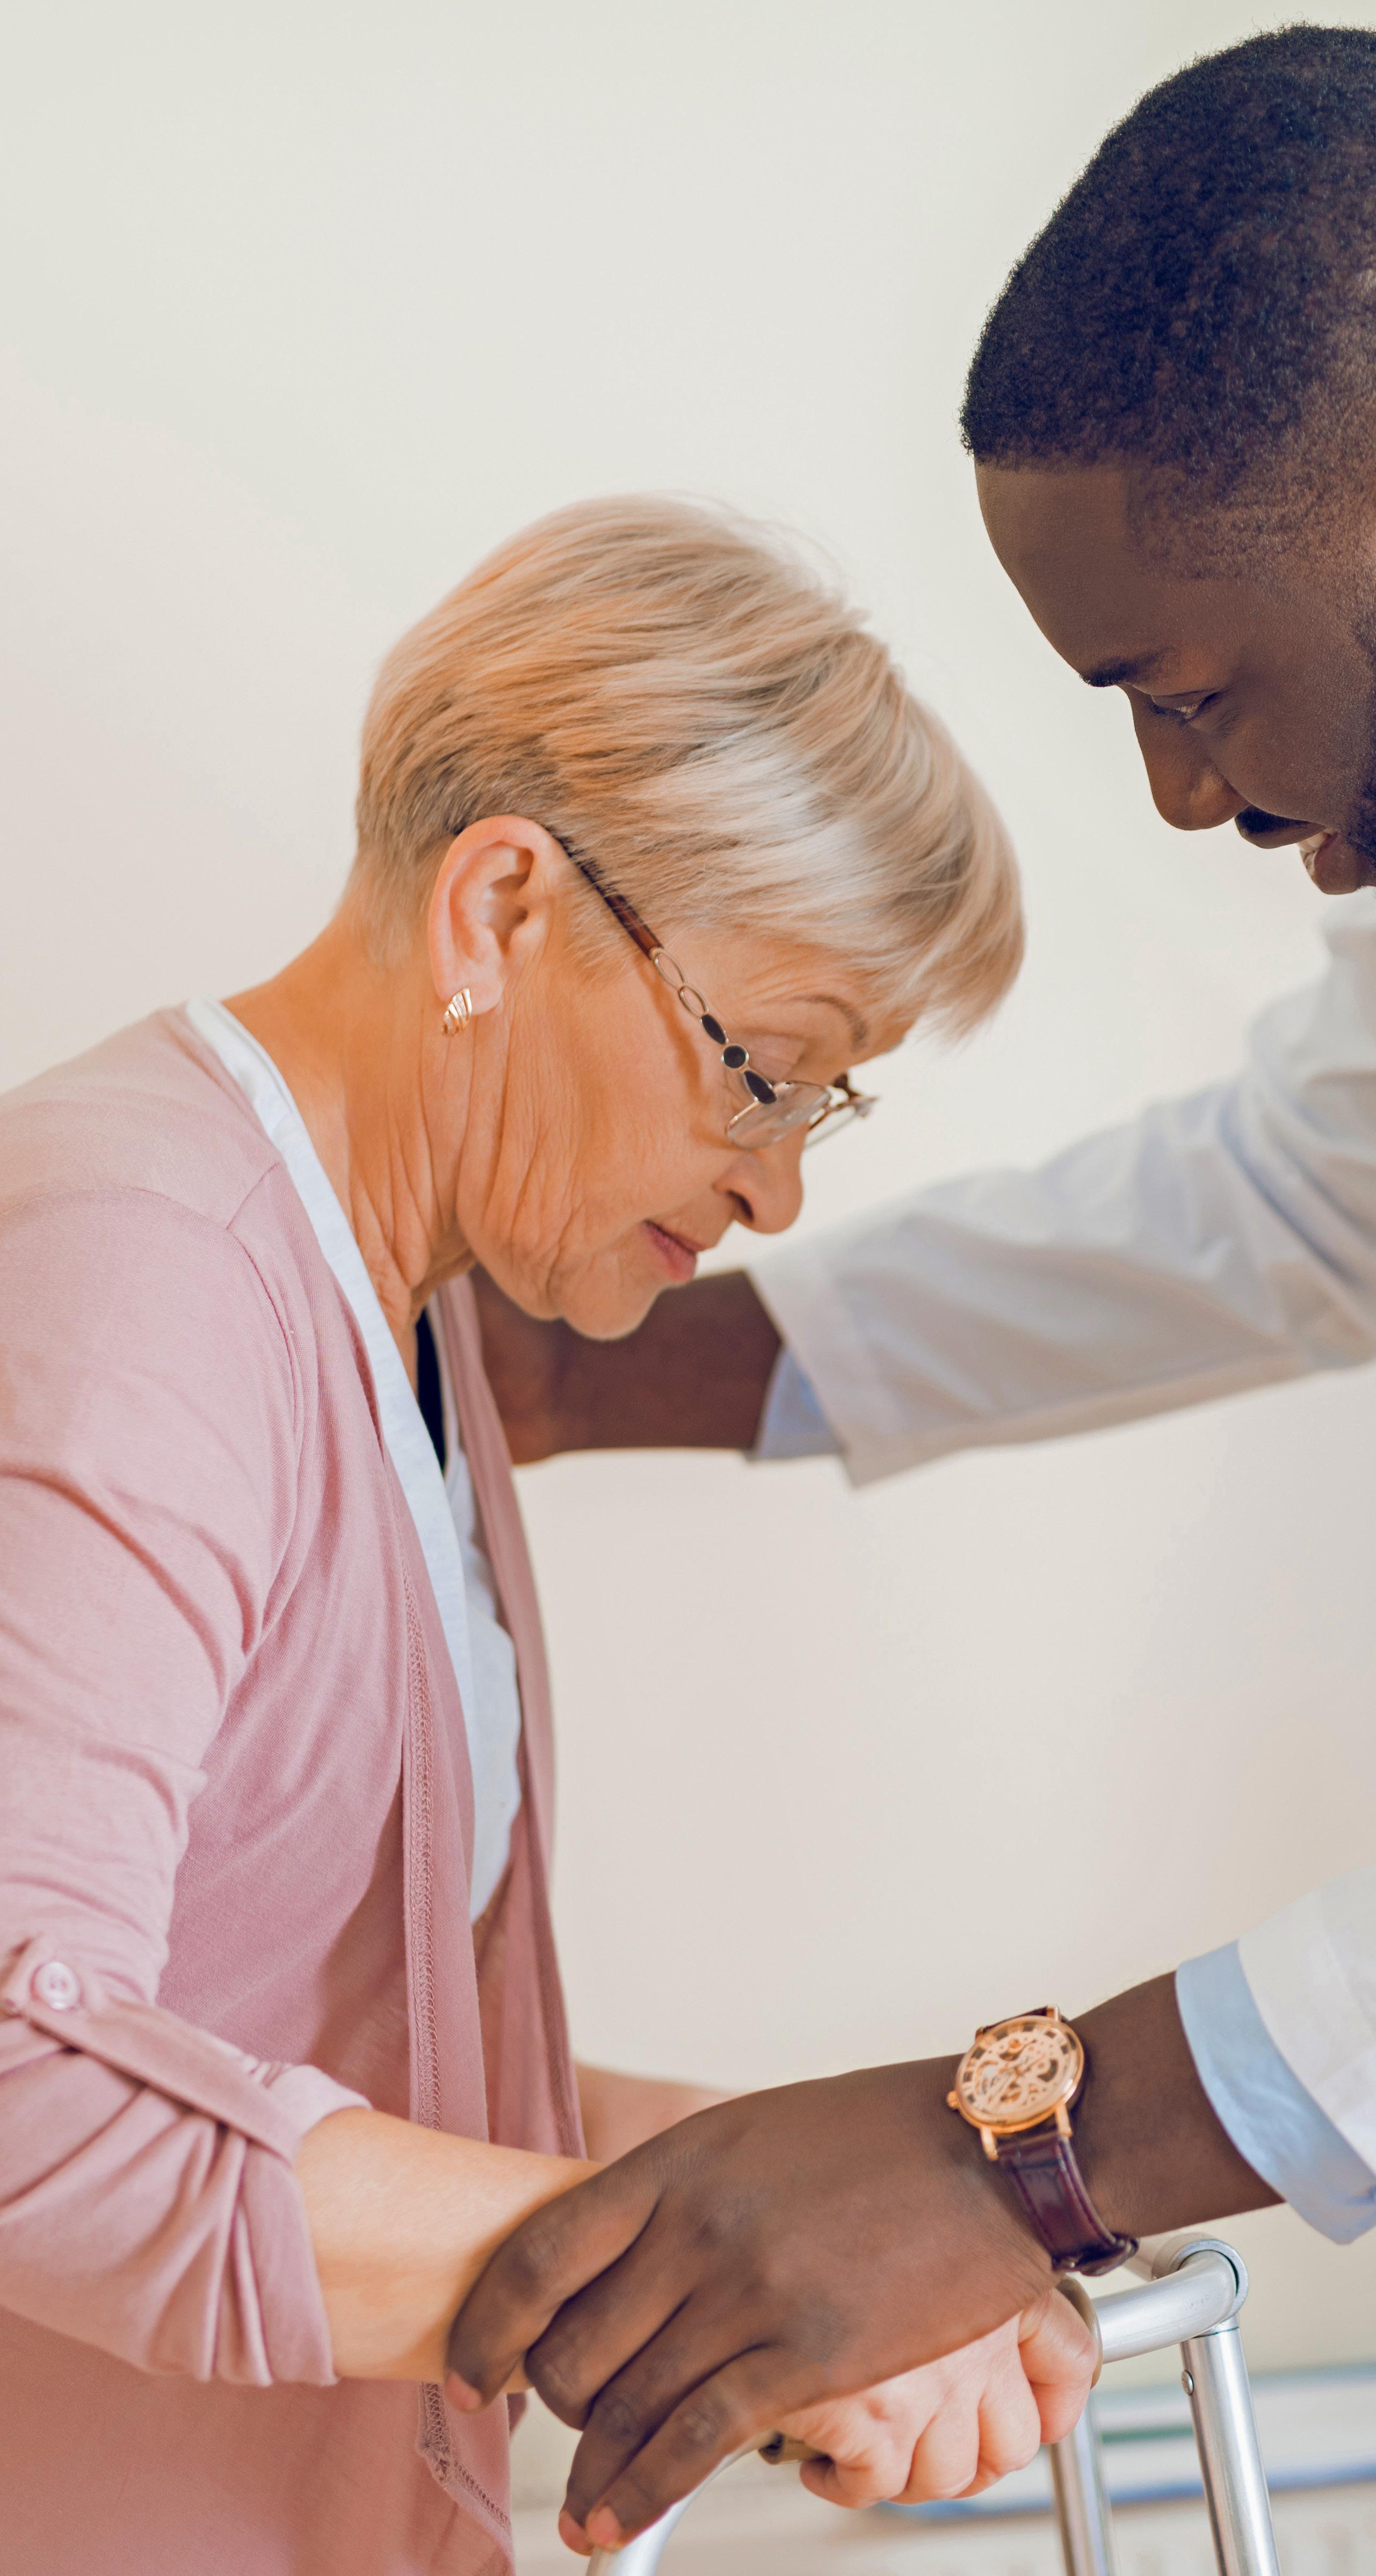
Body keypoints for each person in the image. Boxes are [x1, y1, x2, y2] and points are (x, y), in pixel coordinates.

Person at [441, 21, 1376, 2560]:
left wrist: (1013, 2148)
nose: (1181, 798)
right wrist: (560, 1354)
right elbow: (1305, 1199)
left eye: (1189, 694)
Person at [0, 494, 1096, 2573]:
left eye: (822, 1109)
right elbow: (21, 2076)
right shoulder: (143, 1273)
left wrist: (798, 2192)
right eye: (763, 1072)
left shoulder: (415, 1321)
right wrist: (702, 2269)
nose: (777, 1189)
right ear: (500, 909)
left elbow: (306, 2053)